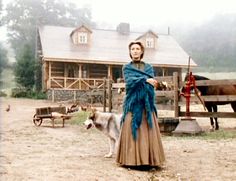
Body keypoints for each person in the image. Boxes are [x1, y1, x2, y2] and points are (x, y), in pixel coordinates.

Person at [116, 41, 165, 168]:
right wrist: (145, 80)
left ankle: (149, 160)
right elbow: (130, 82)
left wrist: (146, 82)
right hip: (132, 102)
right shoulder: (126, 68)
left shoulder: (148, 67)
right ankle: (131, 160)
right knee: (132, 127)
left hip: (146, 103)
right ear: (130, 52)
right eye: (133, 49)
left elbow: (152, 83)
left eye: (138, 49)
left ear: (142, 51)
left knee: (148, 128)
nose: (135, 51)